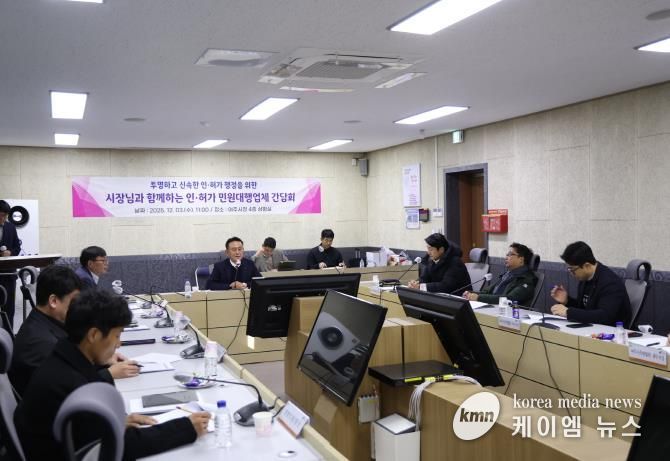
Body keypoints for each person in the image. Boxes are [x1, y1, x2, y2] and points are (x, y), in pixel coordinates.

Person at [14, 289, 211, 461]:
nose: (119, 344)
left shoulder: (64, 357)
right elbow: (120, 447)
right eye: (117, 335)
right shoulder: (69, 383)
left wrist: (116, 421)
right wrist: (186, 428)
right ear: (93, 335)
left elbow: (89, 430)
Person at [9, 265, 140, 396]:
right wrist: (109, 374)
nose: (78, 306)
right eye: (73, 300)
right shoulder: (41, 343)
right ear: (53, 301)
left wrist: (101, 358)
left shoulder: (45, 323)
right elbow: (70, 387)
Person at [550, 241, 631, 326]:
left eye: (573, 270)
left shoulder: (610, 283)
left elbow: (605, 316)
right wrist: (567, 301)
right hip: (592, 328)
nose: (571, 274)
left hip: (611, 330)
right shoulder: (585, 279)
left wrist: (568, 312)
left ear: (587, 266)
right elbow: (584, 310)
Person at [463, 242, 538, 306]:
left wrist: (478, 298)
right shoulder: (508, 274)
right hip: (495, 309)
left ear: (521, 259)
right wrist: (471, 293)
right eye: (506, 255)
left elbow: (509, 299)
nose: (506, 257)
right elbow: (488, 292)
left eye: (510, 254)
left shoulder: (527, 280)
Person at [0, 200, 21, 327]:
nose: (4, 218)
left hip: (9, 275)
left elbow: (17, 247)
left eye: (6, 216)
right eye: (2, 215)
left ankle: (9, 335)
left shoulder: (11, 227)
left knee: (9, 310)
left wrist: (10, 252)